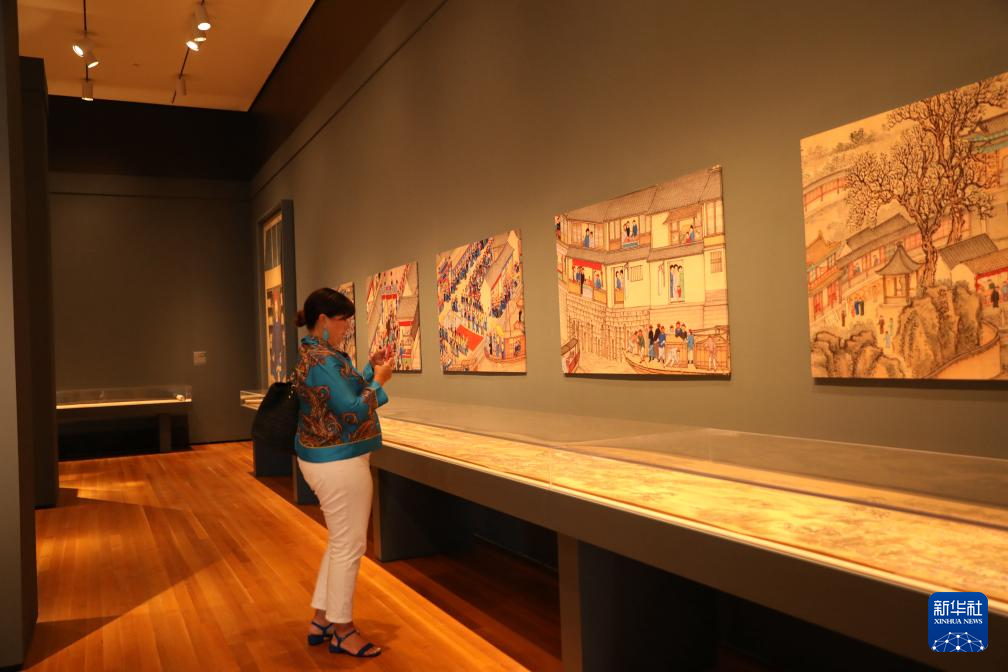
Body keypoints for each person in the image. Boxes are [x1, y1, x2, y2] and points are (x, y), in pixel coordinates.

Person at [293, 288, 392, 659]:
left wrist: (367, 371)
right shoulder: (321, 358)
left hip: (327, 458)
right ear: (323, 320)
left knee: (341, 543)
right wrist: (379, 381)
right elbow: (351, 410)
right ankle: (343, 630)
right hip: (337, 461)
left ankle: (322, 620)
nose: (347, 327)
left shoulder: (319, 354)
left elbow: (339, 393)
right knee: (350, 546)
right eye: (342, 320)